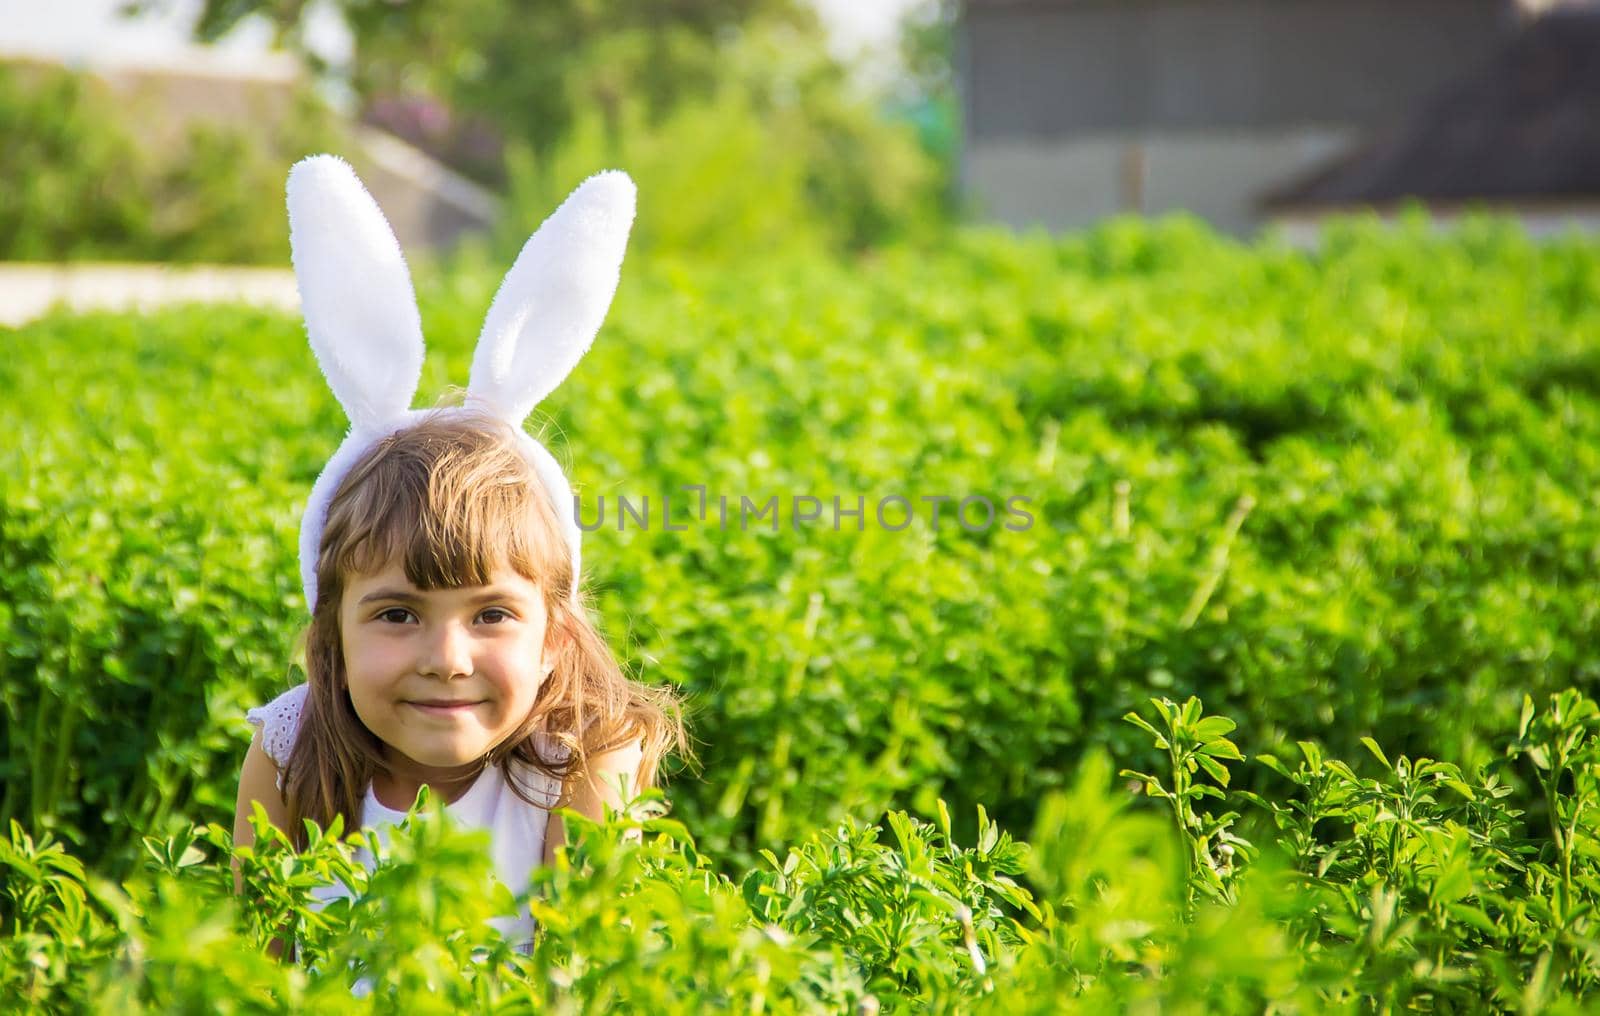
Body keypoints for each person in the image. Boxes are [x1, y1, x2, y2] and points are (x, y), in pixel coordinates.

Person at [230, 154, 685, 964]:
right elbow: (260, 973)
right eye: (398, 614)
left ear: (555, 634)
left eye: (493, 615)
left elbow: (579, 977)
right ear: (330, 630)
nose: (447, 660)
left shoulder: (580, 760)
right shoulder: (290, 753)